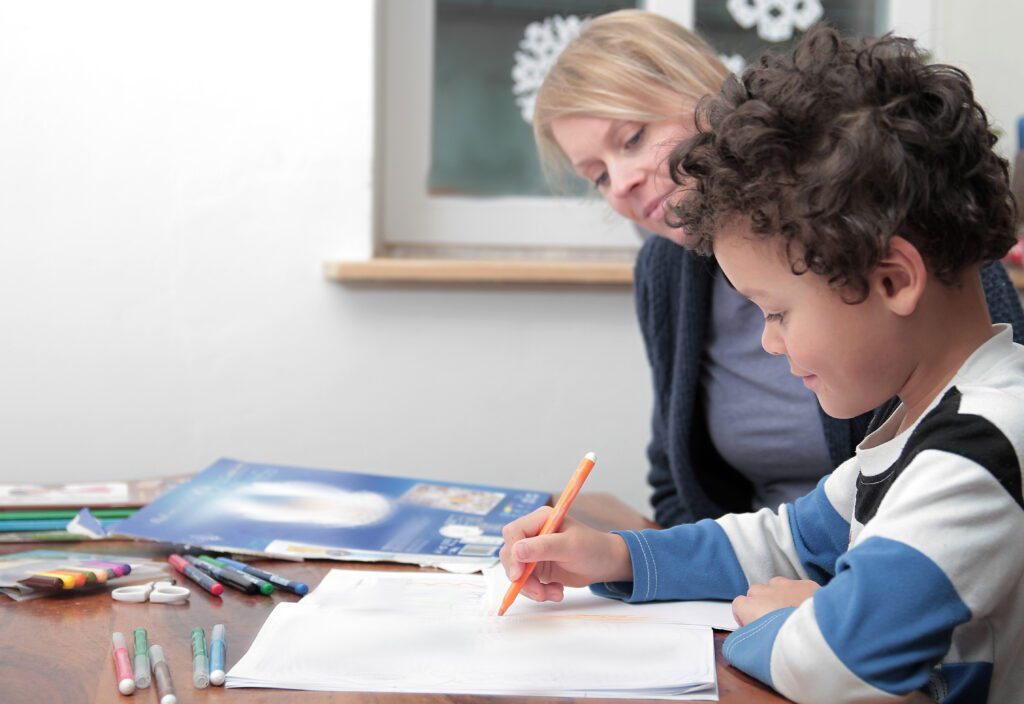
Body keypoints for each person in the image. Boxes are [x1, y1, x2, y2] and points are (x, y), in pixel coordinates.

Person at [503, 26, 1024, 703]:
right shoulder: (914, 425)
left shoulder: (974, 448)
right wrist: (618, 557)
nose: (768, 344)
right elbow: (783, 542)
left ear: (895, 280)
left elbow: (838, 665)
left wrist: (791, 619)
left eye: (775, 314)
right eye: (598, 175)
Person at [534, 10, 1024, 526]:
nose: (621, 183)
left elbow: (984, 474)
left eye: (632, 138)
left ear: (703, 88)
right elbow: (679, 488)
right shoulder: (665, 272)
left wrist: (823, 599)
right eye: (597, 177)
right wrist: (647, 554)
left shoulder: (868, 206)